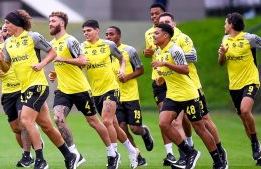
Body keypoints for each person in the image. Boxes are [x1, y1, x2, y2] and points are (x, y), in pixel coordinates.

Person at [0, 9, 78, 169]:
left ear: (17, 24)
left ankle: (40, 160)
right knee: (47, 126)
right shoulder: (8, 43)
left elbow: (52, 52)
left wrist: (41, 64)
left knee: (26, 120)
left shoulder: (32, 37)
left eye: (8, 22)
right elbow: (6, 68)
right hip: (24, 88)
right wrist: (1, 61)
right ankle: (70, 156)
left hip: (38, 86)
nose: (5, 26)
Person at [48, 11, 117, 168]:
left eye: (53, 21)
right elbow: (61, 65)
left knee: (93, 122)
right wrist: (54, 73)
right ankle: (75, 154)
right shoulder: (52, 43)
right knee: (58, 119)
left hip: (80, 89)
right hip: (63, 90)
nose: (50, 23)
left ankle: (112, 152)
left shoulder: (71, 41)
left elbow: (83, 61)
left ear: (62, 24)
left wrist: (63, 59)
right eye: (49, 21)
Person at [152, 23, 226, 169]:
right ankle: (189, 152)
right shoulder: (159, 51)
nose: (153, 36)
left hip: (188, 94)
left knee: (200, 128)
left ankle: (218, 162)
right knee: (163, 123)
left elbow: (185, 69)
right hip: (173, 95)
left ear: (166, 35)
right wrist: (161, 79)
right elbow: (167, 73)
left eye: (157, 33)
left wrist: (165, 63)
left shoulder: (175, 49)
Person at [81, 20, 139, 169]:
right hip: (95, 92)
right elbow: (79, 65)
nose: (86, 33)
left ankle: (113, 154)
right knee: (113, 124)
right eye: (84, 31)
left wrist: (123, 69)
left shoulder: (108, 45)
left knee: (106, 122)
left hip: (111, 88)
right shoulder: (82, 47)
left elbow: (122, 58)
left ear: (97, 31)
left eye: (89, 30)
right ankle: (133, 151)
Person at [218, 12, 261, 166]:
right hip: (234, 85)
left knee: (245, 110)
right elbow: (221, 63)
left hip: (251, 81)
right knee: (244, 121)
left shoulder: (250, 38)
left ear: (231, 24)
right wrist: (222, 54)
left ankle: (255, 143)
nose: (224, 25)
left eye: (225, 23)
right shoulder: (225, 40)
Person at [143, 3, 194, 165]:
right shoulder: (149, 33)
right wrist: (147, 53)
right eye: (151, 14)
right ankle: (172, 153)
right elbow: (151, 53)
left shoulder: (177, 36)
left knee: (185, 120)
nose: (154, 17)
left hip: (180, 83)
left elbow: (191, 59)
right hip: (159, 79)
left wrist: (170, 62)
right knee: (165, 120)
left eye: (156, 14)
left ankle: (189, 149)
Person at [106, 26, 154, 166]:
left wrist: (127, 77)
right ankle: (138, 156)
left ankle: (145, 132)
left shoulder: (129, 50)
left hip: (131, 96)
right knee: (122, 129)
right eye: (107, 34)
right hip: (116, 97)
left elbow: (141, 69)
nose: (108, 37)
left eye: (111, 34)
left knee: (135, 128)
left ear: (118, 36)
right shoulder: (105, 53)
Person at [0, 25, 34, 167]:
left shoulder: (15, 46)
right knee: (16, 128)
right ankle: (30, 152)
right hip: (7, 93)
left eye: (4, 32)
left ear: (8, 33)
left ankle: (26, 155)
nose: (1, 35)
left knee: (23, 120)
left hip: (21, 89)